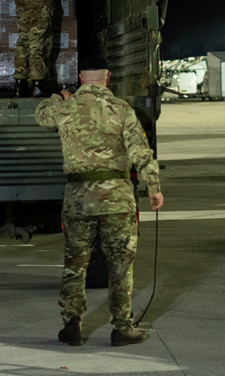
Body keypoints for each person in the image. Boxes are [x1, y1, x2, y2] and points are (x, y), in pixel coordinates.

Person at [34, 54, 164, 347]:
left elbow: (41, 114)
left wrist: (60, 97)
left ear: (81, 78)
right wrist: (153, 187)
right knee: (120, 265)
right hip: (117, 198)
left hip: (79, 200)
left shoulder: (66, 109)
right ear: (108, 77)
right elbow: (141, 152)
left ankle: (72, 326)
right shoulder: (121, 109)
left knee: (75, 263)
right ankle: (121, 328)